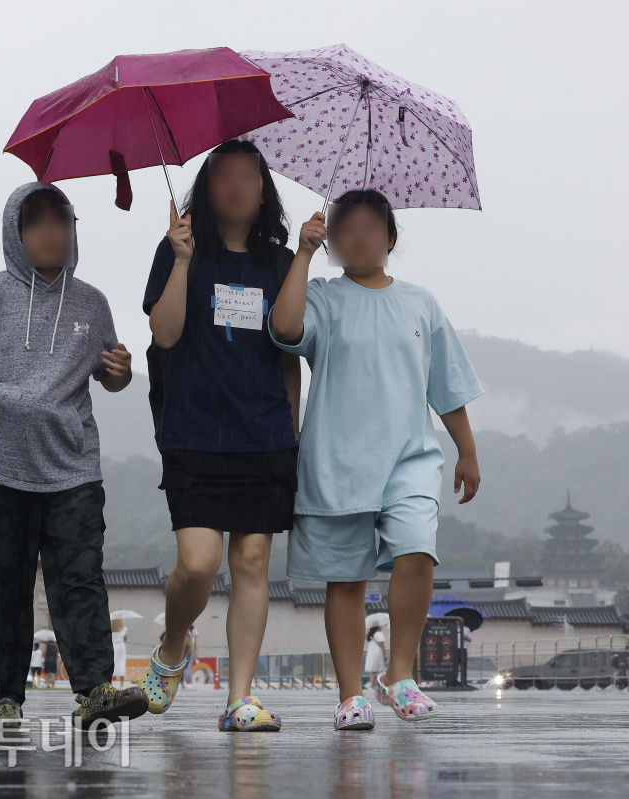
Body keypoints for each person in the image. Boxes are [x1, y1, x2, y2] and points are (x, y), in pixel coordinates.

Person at [270, 189, 483, 729]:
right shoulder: (321, 295)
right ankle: (350, 695)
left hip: (409, 456)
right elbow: (286, 330)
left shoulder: (420, 302)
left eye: (372, 226)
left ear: (390, 239)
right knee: (346, 579)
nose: (360, 235)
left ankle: (398, 676)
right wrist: (302, 254)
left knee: (417, 552)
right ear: (333, 239)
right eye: (346, 226)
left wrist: (468, 450)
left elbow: (447, 385)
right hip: (336, 458)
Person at [0, 182, 149, 732]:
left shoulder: (93, 302)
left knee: (80, 581)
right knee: (4, 588)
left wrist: (122, 372)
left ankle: (95, 691)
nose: (49, 231)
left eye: (60, 219)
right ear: (15, 231)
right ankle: (5, 700)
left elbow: (111, 379)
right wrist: (4, 397)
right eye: (34, 221)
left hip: (73, 469)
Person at [137, 139, 300, 732]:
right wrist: (181, 261)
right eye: (223, 175)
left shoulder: (280, 264)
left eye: (248, 176)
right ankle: (173, 645)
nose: (236, 186)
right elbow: (165, 334)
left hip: (264, 433)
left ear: (264, 190)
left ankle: (239, 698)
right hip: (194, 430)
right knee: (199, 563)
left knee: (253, 560)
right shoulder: (181, 249)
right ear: (206, 187)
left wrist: (294, 432)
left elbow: (289, 355)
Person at [364, 626, 387, 692]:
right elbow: (382, 645)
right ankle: (380, 684)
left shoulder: (371, 634)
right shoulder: (379, 634)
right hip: (378, 653)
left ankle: (372, 684)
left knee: (373, 670)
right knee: (380, 669)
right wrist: (384, 654)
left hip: (371, 653)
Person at [110, 619, 127, 686]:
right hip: (121, 645)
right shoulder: (123, 629)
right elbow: (126, 638)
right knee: (122, 663)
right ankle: (122, 684)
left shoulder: (110, 629)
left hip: (113, 645)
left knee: (112, 662)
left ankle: (110, 681)